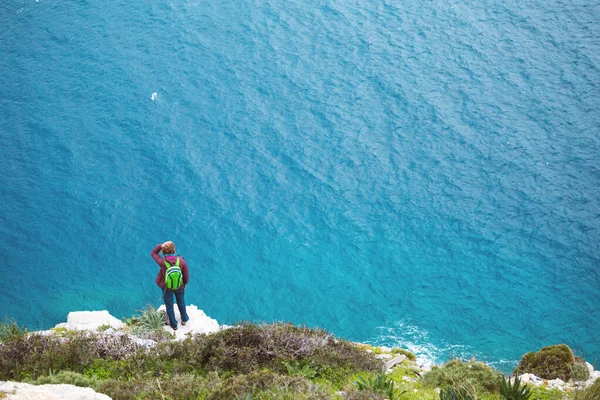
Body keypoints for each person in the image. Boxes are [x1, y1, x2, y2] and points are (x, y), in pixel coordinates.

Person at [151, 241, 190, 330]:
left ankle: (174, 325)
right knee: (181, 302)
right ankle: (184, 319)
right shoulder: (181, 261)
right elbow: (186, 275)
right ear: (174, 250)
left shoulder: (162, 262)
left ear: (163, 252)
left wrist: (161, 245)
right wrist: (184, 284)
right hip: (179, 286)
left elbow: (153, 253)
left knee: (169, 305)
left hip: (166, 287)